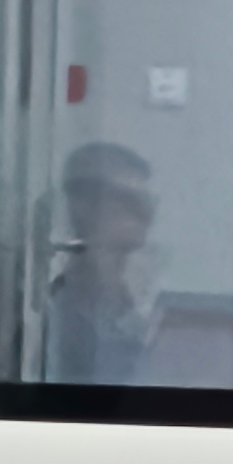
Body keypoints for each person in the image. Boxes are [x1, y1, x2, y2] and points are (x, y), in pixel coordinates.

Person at [45, 138, 163, 386]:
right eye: (128, 199)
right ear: (81, 205)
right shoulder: (61, 309)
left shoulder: (132, 303)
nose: (144, 213)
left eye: (147, 200)